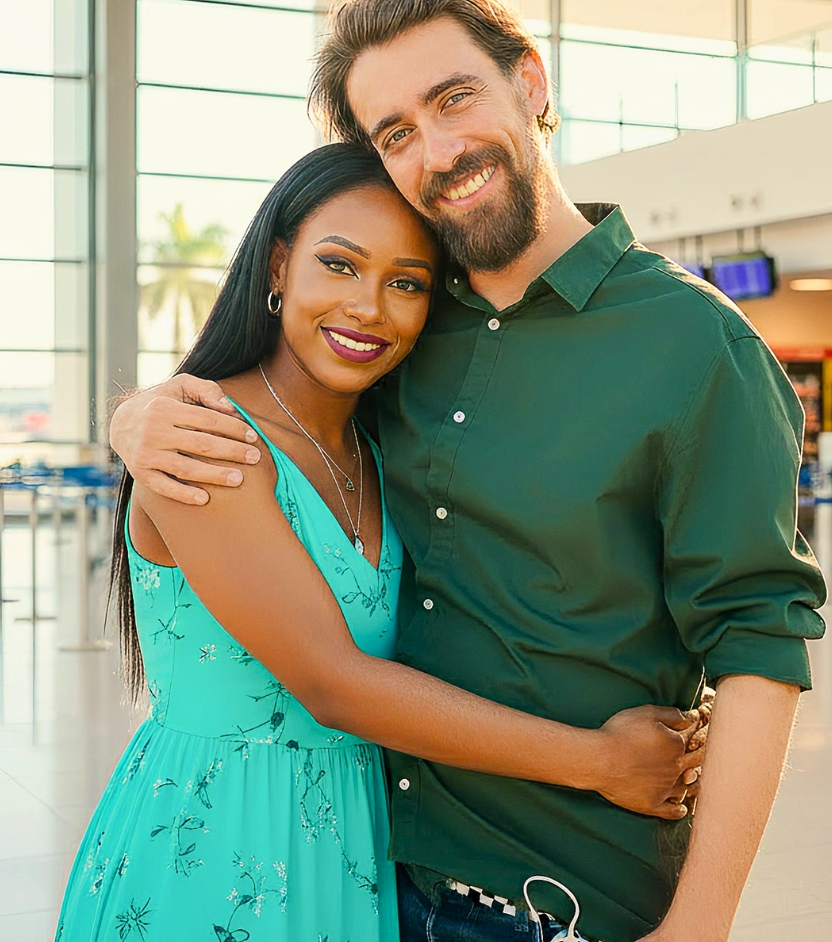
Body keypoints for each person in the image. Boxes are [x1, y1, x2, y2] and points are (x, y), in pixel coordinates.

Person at [111, 0, 826, 942]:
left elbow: (758, 644)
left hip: (561, 900)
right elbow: (275, 403)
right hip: (366, 874)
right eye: (395, 133)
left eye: (453, 99)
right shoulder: (404, 323)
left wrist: (701, 922)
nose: (436, 150)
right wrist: (136, 416)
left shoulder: (697, 346)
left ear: (529, 82)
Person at [53, 144, 707, 942]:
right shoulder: (205, 440)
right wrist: (603, 762)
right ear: (277, 265)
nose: (368, 307)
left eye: (406, 283)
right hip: (220, 845)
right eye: (339, 265)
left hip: (358, 848)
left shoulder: (382, 443)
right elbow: (334, 683)